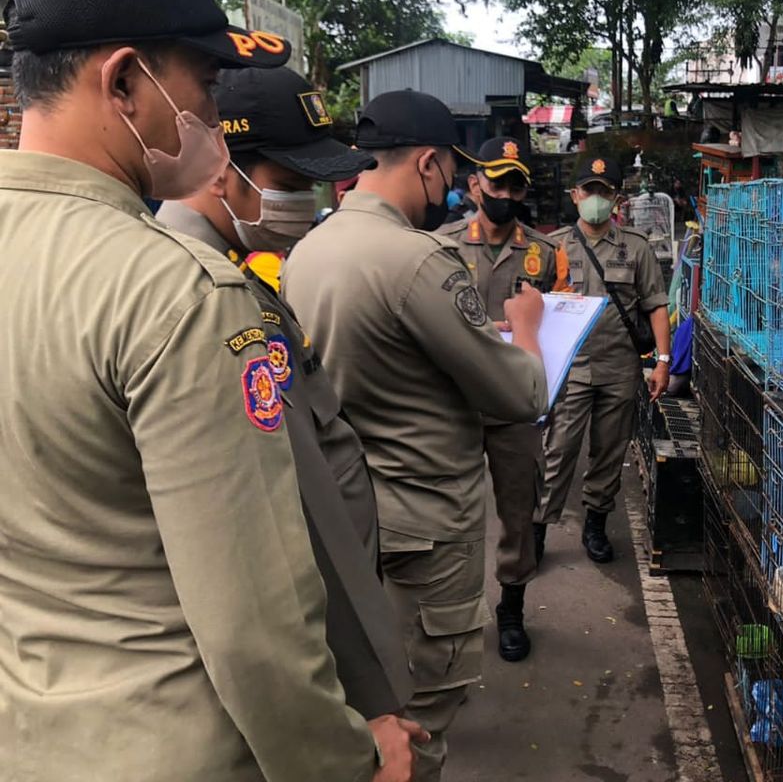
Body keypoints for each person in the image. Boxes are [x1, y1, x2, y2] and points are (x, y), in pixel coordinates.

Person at [0, 0, 418, 781]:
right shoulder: (178, 294)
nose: (211, 117)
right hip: (175, 743)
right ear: (125, 81)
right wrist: (349, 759)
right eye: (206, 85)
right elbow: (252, 625)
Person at [283, 90, 549, 782]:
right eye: (451, 172)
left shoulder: (309, 248)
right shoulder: (417, 260)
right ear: (429, 164)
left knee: (370, 697)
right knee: (420, 717)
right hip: (425, 522)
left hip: (350, 515)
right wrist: (526, 329)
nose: (452, 189)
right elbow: (521, 394)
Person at [155, 65, 414, 725]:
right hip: (313, 645)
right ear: (220, 168)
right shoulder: (208, 301)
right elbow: (297, 512)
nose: (308, 202)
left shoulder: (228, 274)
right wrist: (367, 699)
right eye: (292, 183)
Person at [438, 138, 567, 663]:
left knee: (518, 512)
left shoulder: (545, 253)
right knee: (450, 514)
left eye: (516, 186)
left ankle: (511, 607)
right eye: (498, 183)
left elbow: (557, 328)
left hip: (515, 406)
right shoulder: (440, 247)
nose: (506, 195)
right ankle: (450, 613)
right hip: (456, 404)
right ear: (475, 185)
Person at [537, 157, 671, 564]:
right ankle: (536, 528)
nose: (595, 198)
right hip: (570, 369)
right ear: (575, 195)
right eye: (588, 190)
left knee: (609, 452)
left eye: (604, 191)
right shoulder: (554, 246)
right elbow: (532, 306)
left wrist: (663, 361)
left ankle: (595, 524)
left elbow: (656, 305)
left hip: (619, 369)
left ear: (616, 199)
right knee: (558, 451)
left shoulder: (636, 247)